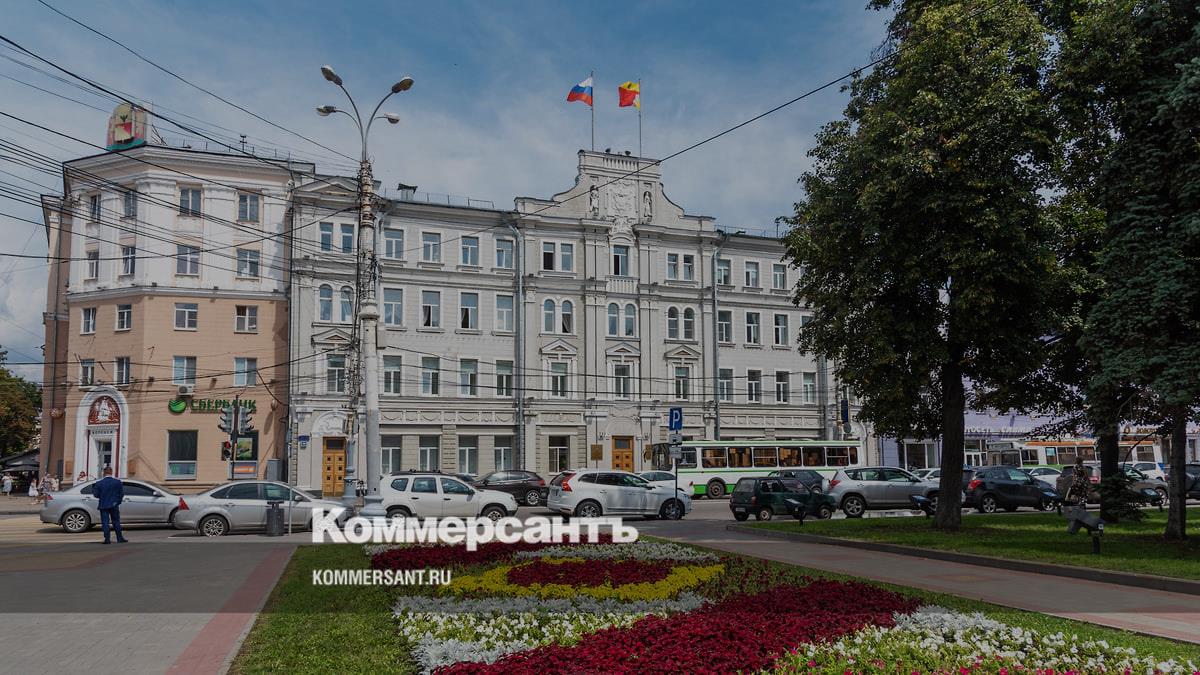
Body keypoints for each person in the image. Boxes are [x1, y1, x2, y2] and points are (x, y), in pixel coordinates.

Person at [91, 467, 127, 544]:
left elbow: (96, 495)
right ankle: (119, 538)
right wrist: (118, 502)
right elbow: (121, 494)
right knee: (116, 521)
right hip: (114, 505)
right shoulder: (117, 482)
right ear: (111, 472)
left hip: (103, 505)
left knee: (105, 522)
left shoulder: (99, 483)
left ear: (104, 473)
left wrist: (101, 495)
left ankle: (107, 539)